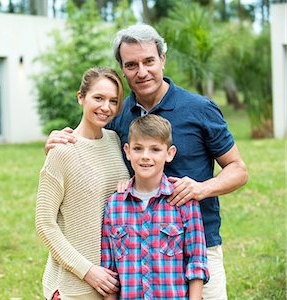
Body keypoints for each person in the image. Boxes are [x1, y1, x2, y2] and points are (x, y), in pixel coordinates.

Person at [44, 24, 248, 299]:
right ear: (123, 69)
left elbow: (238, 169)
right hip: (138, 253)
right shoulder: (118, 116)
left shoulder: (200, 109)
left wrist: (202, 189)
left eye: (149, 61)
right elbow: (92, 146)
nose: (141, 71)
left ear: (162, 59)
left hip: (197, 247)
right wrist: (59, 141)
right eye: (131, 65)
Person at [35, 67, 130, 299]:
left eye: (113, 101)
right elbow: (45, 224)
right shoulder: (62, 151)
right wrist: (87, 271)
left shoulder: (115, 141)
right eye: (98, 98)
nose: (105, 107)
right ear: (81, 97)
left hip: (112, 284)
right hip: (73, 286)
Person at [101, 114, 209, 300]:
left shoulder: (184, 202)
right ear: (127, 151)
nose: (145, 156)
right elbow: (109, 271)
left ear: (169, 153)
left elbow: (196, 262)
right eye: (138, 148)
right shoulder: (114, 205)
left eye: (155, 149)